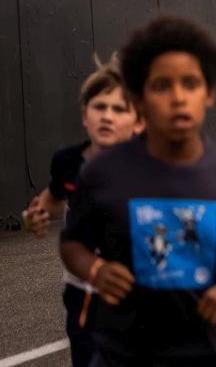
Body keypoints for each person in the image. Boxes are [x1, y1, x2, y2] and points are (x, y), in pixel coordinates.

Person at [61, 17, 216, 365]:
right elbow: (73, 244)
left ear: (208, 93)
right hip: (122, 355)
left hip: (214, 353)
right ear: (139, 98)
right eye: (161, 86)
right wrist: (95, 270)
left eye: (190, 84)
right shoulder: (102, 174)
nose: (178, 98)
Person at [22, 58, 138, 367]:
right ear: (85, 115)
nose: (108, 116)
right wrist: (34, 217)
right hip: (84, 292)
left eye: (119, 109)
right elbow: (51, 198)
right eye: (99, 107)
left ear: (137, 121)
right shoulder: (68, 162)